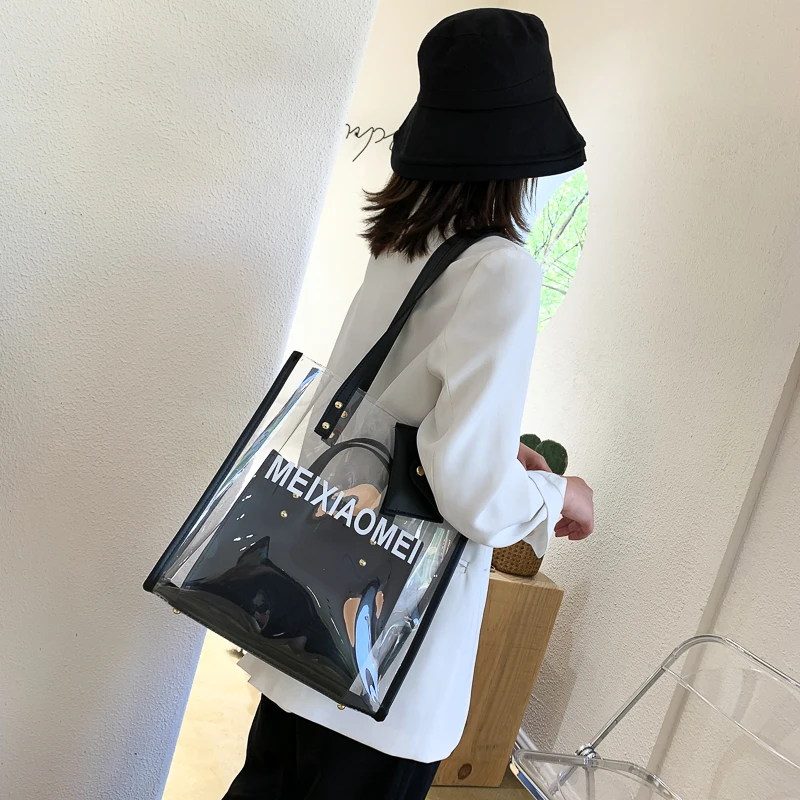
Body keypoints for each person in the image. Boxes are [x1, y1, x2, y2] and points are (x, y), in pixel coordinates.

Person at [224, 9, 594, 800]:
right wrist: (556, 493)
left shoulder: (401, 245)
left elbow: (376, 415)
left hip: (313, 602)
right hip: (382, 644)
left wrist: (491, 452)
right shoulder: (500, 269)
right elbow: (470, 491)